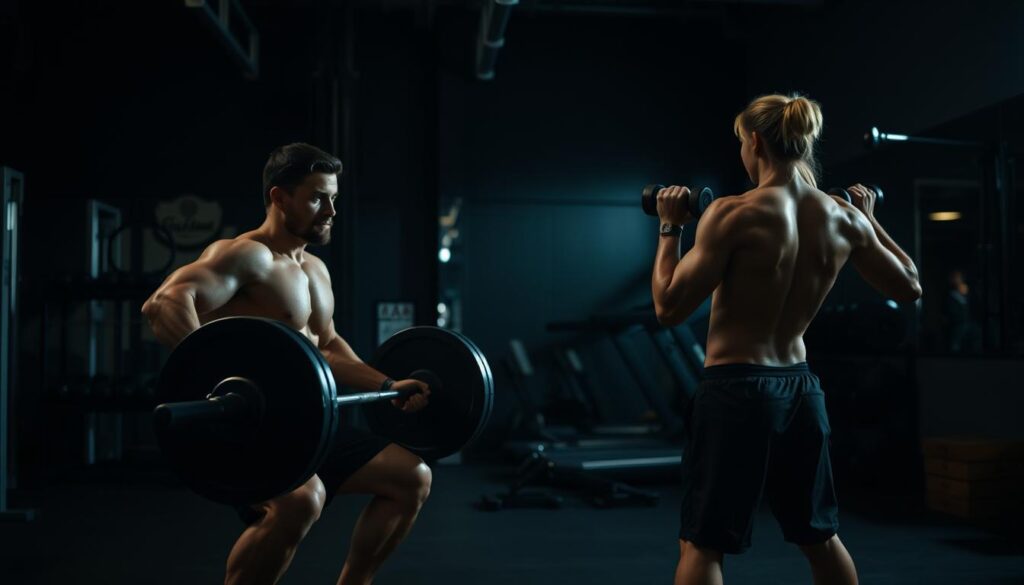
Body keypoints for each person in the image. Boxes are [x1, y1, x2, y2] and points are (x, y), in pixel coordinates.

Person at [651, 94, 921, 585]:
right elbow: (910, 284)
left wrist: (670, 228)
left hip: (735, 388)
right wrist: (870, 217)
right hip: (800, 390)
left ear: (755, 141)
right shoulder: (844, 218)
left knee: (703, 544)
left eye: (741, 143)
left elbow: (669, 308)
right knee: (819, 536)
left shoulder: (734, 213)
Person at [142, 143, 432, 585]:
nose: (331, 209)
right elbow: (164, 303)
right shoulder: (248, 256)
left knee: (412, 476)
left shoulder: (314, 269)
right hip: (253, 428)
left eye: (334, 197)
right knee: (302, 500)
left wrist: (389, 383)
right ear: (280, 198)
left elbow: (329, 346)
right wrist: (208, 376)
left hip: (308, 420)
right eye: (318, 197)